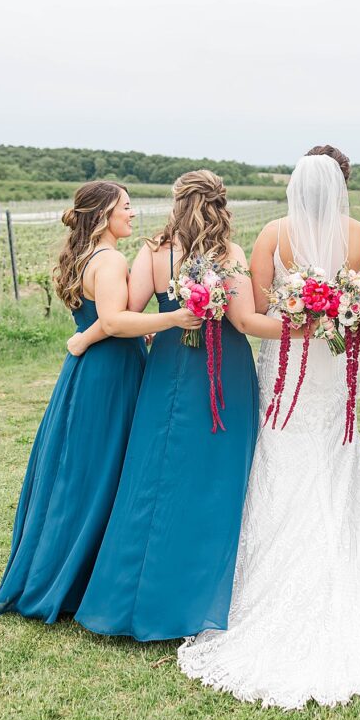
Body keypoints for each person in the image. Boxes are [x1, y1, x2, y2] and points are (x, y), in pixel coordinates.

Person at [178, 155, 360, 709]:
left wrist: (297, 323)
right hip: (334, 366)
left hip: (289, 360)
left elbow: (255, 313)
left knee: (283, 451)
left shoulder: (274, 237)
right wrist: (335, 318)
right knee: (337, 451)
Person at [75, 170, 298, 641]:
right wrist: (302, 327)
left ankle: (130, 596)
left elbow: (129, 313)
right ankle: (203, 594)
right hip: (225, 372)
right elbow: (245, 321)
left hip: (170, 369)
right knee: (217, 477)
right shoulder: (229, 254)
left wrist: (166, 319)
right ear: (221, 205)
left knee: (156, 473)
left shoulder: (155, 251)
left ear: (177, 204)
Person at [0, 182, 198, 622]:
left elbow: (106, 320)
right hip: (109, 374)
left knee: (80, 468)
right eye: (125, 206)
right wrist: (172, 318)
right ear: (104, 213)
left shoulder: (86, 255)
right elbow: (114, 319)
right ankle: (72, 579)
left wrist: (91, 336)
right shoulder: (110, 260)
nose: (133, 213)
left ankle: (74, 570)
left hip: (93, 370)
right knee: (100, 468)